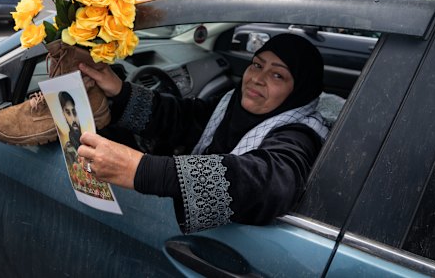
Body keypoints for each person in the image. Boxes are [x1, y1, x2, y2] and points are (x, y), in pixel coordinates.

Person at [77, 33, 329, 234]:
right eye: (256, 65)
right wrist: (121, 92)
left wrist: (141, 170)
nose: (256, 79)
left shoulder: (300, 136)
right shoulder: (232, 103)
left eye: (277, 74)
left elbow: (267, 184)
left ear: (299, 90)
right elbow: (186, 119)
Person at [58, 91, 81, 164]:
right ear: (64, 115)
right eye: (68, 113)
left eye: (74, 112)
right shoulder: (68, 152)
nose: (73, 119)